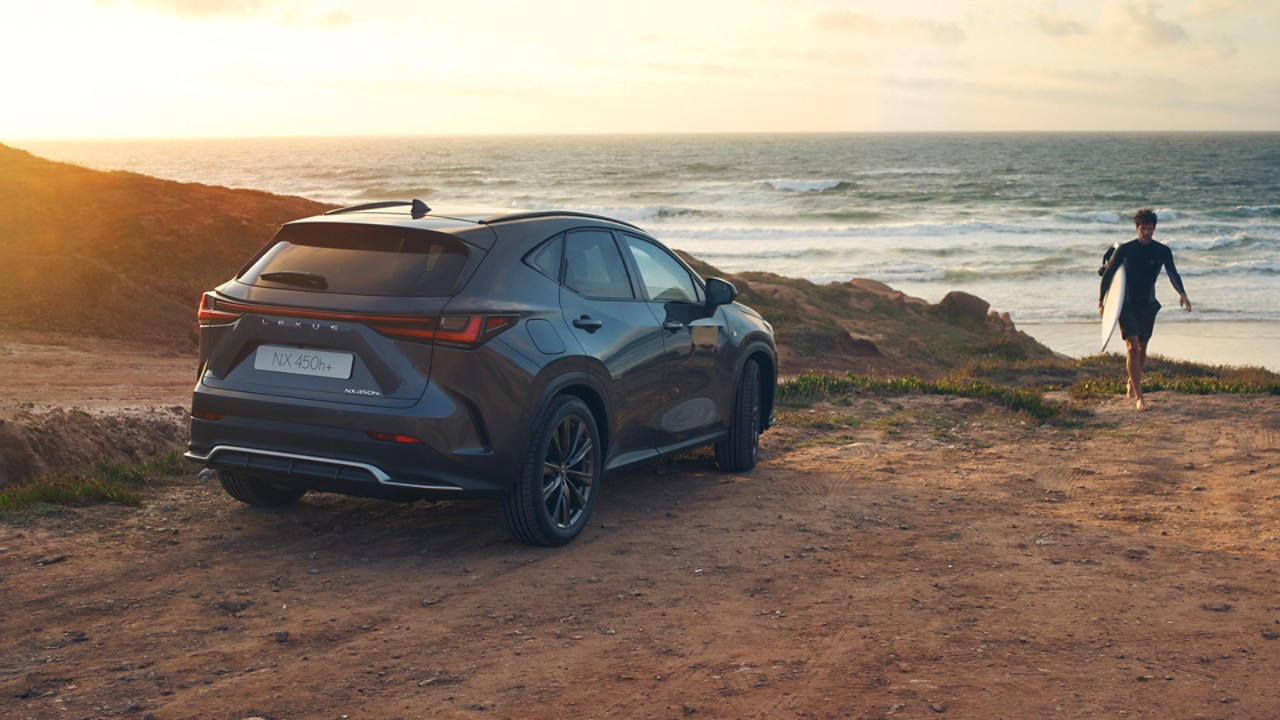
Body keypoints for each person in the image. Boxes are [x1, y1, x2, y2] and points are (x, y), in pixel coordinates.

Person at [1098, 208, 1192, 410]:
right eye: (1143, 228)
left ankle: (1132, 380)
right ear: (1137, 228)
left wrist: (1182, 293)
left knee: (1142, 350)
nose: (1146, 232)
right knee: (1132, 348)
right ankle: (1140, 397)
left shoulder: (1162, 251)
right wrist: (1101, 301)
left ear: (1154, 229)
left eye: (1150, 229)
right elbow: (1108, 275)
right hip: (1127, 305)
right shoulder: (1125, 250)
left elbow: (1172, 273)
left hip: (1148, 305)